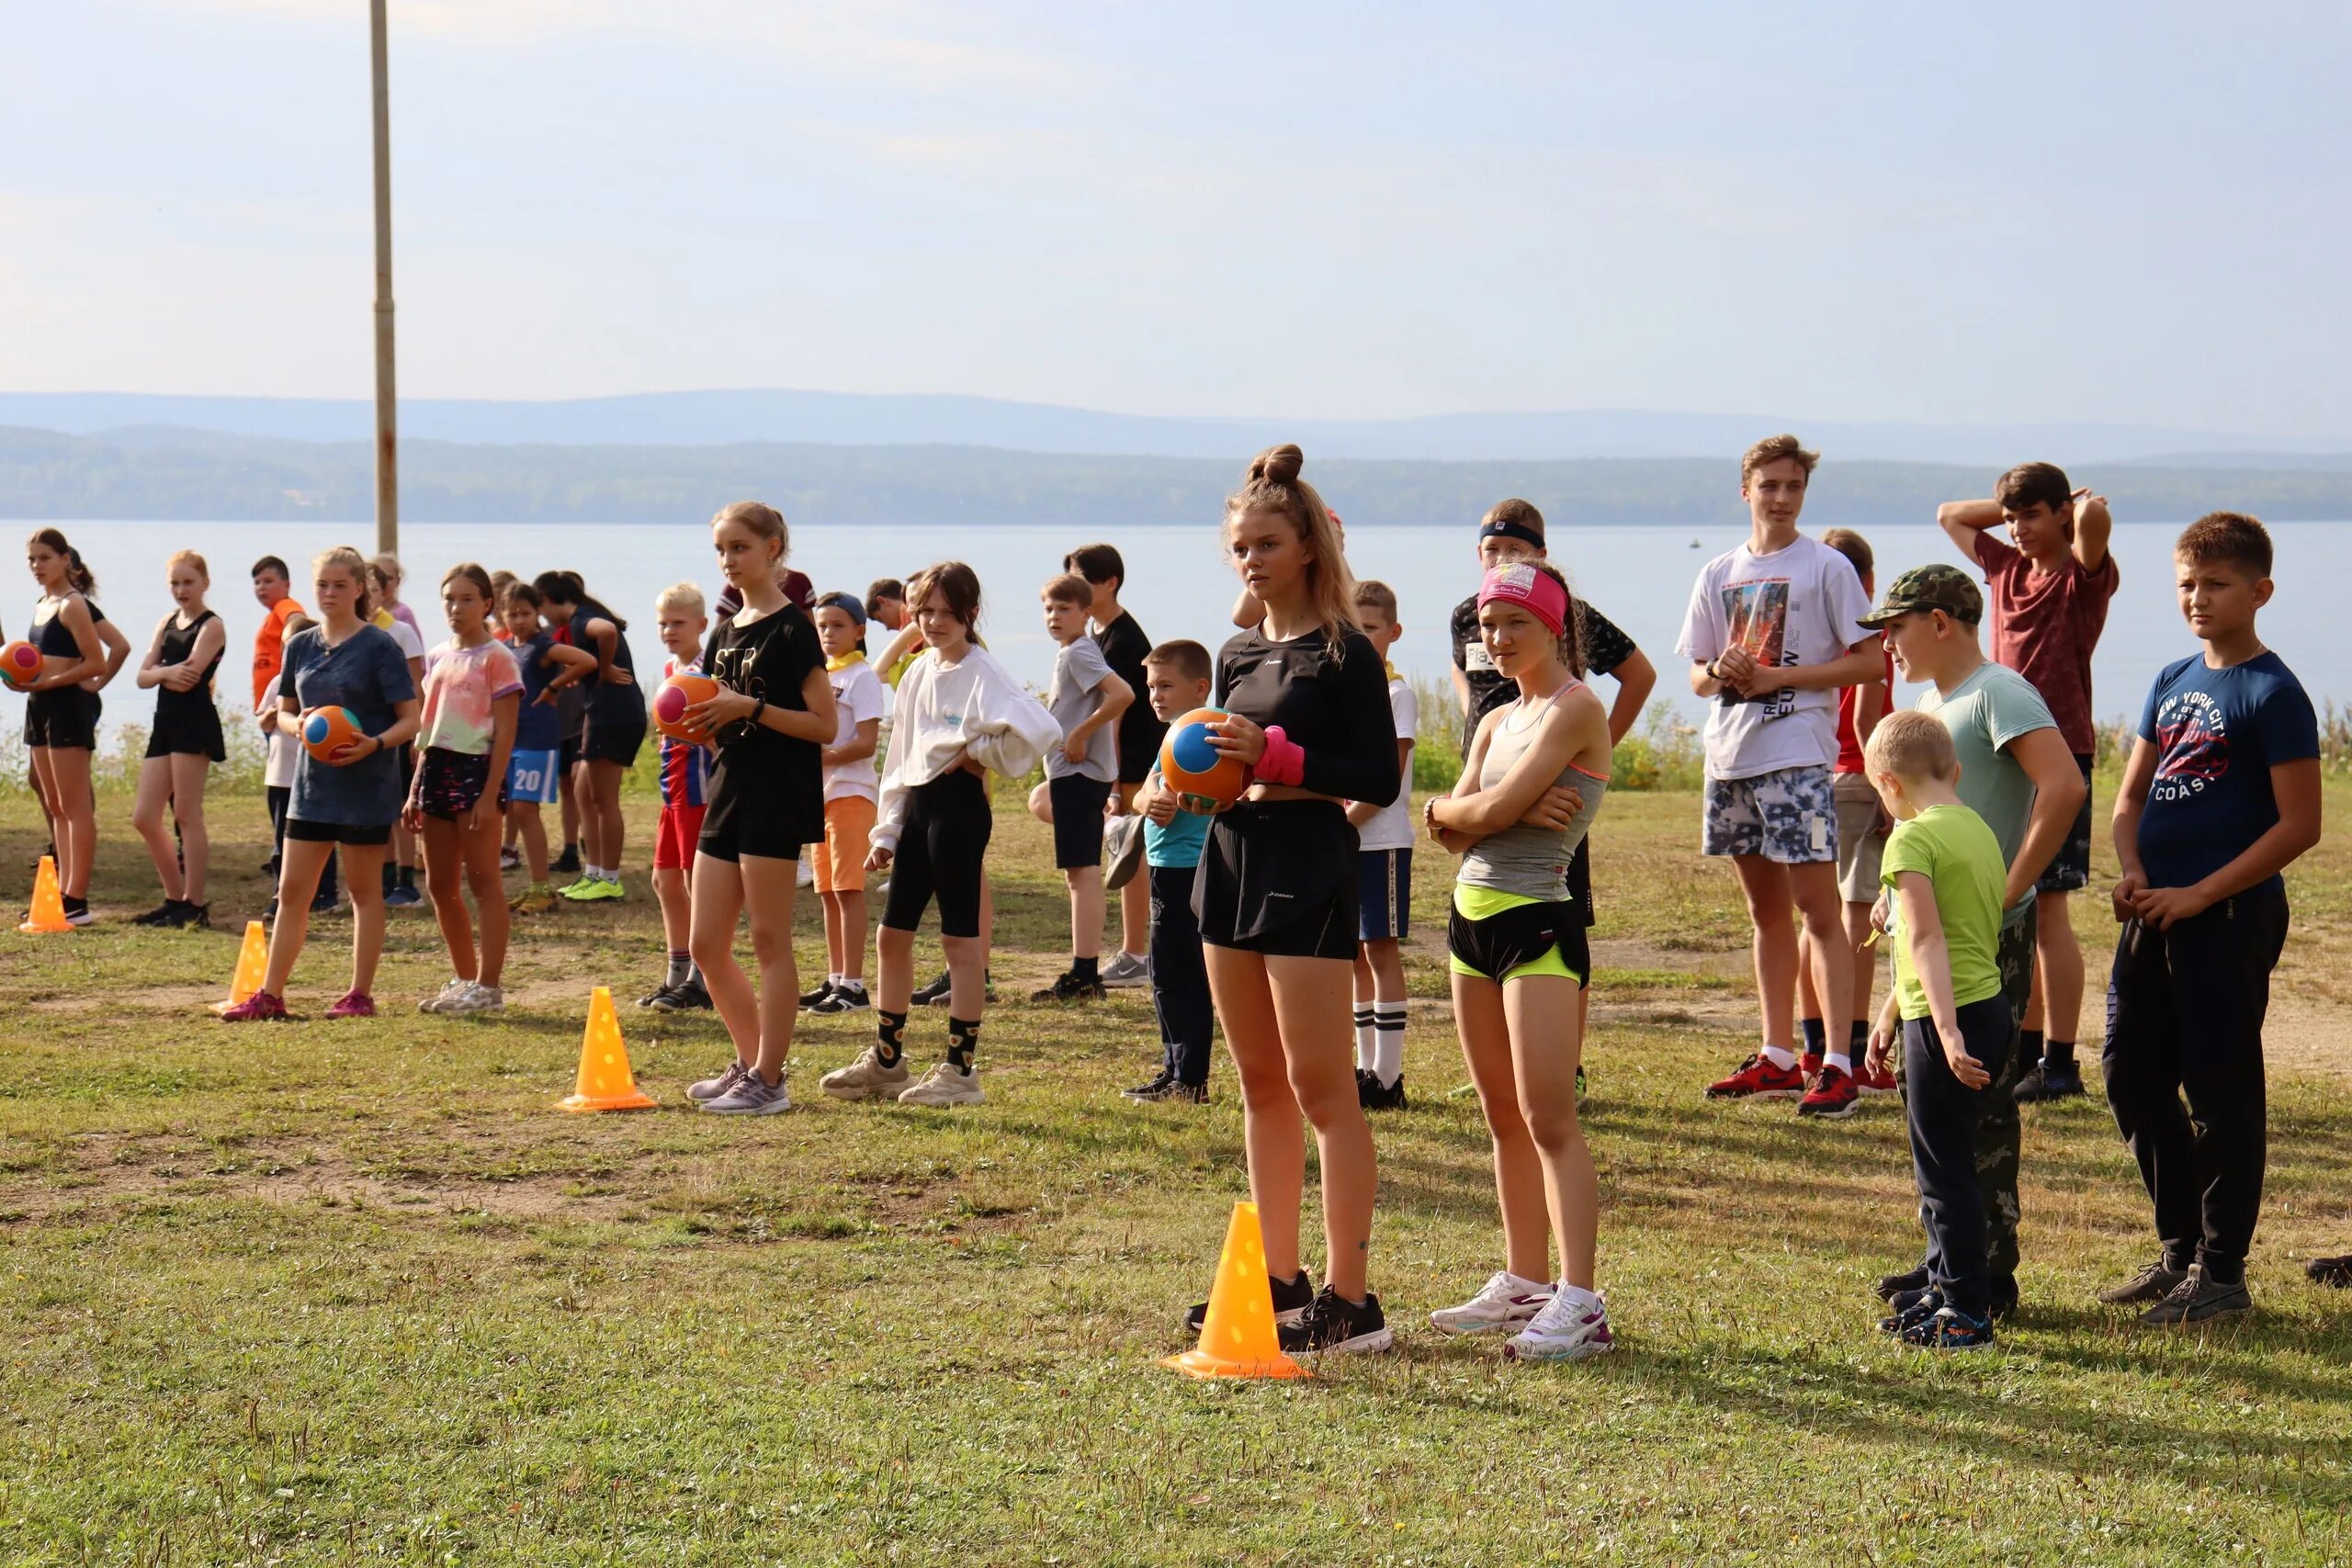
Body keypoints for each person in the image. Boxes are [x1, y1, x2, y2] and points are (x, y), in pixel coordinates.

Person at [1190, 445, 1400, 1359]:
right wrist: (1183, 785)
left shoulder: (1344, 650)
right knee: (1259, 1084)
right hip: (1230, 857)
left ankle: (1352, 1304)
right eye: (1240, 545)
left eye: (1267, 543)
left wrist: (1281, 761)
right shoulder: (1236, 651)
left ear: (1308, 545)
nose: (1251, 558)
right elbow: (1215, 763)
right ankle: (1278, 1282)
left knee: (1323, 1092)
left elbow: (1378, 777)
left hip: (1308, 858)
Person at [2101, 513, 2321, 1325]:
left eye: (2217, 583)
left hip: (2227, 917)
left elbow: (2300, 825)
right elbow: (2129, 798)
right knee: (2130, 1072)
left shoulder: (2275, 692)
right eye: (2187, 583)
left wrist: (2201, 893)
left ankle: (2222, 1273)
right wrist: (2134, 870)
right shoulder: (2170, 678)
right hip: (2153, 911)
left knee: (2221, 1090)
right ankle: (2180, 1250)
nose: (2198, 597)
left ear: (2259, 591)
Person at [1861, 564, 2084, 1318]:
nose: (1887, 644)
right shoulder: (1931, 704)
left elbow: (2063, 786)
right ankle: (1948, 1263)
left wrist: (2012, 888)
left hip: (1987, 935)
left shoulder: (1999, 691)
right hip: (1937, 930)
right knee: (1937, 1108)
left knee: (1976, 1103)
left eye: (1894, 627)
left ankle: (1988, 1276)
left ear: (1941, 620)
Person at [1424, 560, 1617, 1361]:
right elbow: (1451, 826)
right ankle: (1525, 1281)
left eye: (1514, 625)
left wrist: (1474, 811)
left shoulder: (1578, 709)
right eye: (1487, 626)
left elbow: (1485, 812)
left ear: (1554, 627)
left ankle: (1582, 1302)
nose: (1496, 640)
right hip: (1470, 924)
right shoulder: (1500, 719)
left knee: (1548, 1117)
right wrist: (1452, 810)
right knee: (1501, 1114)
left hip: (1538, 921)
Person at [1677, 436, 1883, 1116]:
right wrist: (1722, 672)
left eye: (1793, 486)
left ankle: (1839, 1063)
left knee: (1819, 913)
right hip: (1731, 756)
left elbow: (1869, 661)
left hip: (1797, 756)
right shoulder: (1717, 573)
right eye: (1769, 485)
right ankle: (1777, 1055)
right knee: (1765, 915)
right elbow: (1697, 674)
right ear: (1746, 490)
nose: (1782, 497)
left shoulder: (1826, 568)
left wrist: (1780, 676)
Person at [820, 562, 1057, 1109]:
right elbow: (902, 756)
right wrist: (887, 829)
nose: (933, 622)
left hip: (959, 812)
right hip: (919, 809)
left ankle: (960, 1072)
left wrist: (979, 752)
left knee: (959, 942)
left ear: (971, 615)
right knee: (891, 936)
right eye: (924, 612)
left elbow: (1042, 730)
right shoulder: (921, 670)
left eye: (947, 613)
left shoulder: (984, 671)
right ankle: (887, 1061)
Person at [1452, 499, 1656, 1100]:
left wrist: (1597, 755)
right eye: (1493, 551)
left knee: (1559, 916)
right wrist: (1482, 758)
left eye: (1517, 552)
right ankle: (1506, 1057)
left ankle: (1562, 1062)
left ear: (1541, 556)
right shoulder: (1467, 616)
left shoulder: (1576, 617)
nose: (1504, 561)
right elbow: (1468, 680)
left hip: (1550, 784)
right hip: (1493, 772)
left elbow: (1638, 673)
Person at [1938, 467, 2120, 1102]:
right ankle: (2024, 1049)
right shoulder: (2005, 568)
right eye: (2012, 517)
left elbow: (2095, 530)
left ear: (2059, 516)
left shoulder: (2078, 578)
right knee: (2008, 900)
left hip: (2059, 751)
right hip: (2000, 752)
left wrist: (2077, 512)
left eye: (2031, 515)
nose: (2017, 528)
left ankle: (2062, 1061)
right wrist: (2009, 505)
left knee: (2048, 908)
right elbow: (1950, 515)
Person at [1860, 712, 2016, 1351]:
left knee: (1942, 1172)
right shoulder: (1978, 831)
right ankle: (1945, 1284)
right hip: (1987, 1007)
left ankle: (1967, 1313)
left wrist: (1943, 1032)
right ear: (1954, 770)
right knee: (1954, 1159)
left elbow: (1924, 938)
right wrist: (1886, 1013)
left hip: (1945, 1017)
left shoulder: (1910, 839)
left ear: (1888, 783)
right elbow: (1942, 932)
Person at [677, 503, 836, 1115]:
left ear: (774, 549)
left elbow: (825, 725)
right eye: (721, 549)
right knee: (706, 943)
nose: (728, 560)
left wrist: (751, 709)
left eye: (740, 547)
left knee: (769, 938)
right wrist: (695, 725)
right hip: (729, 787)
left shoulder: (793, 629)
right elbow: (716, 714)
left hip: (777, 794)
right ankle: (751, 1064)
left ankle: (770, 1080)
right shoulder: (723, 629)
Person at [222, 546, 420, 1021]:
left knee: (363, 891)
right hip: (310, 788)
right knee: (292, 891)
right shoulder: (301, 645)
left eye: (339, 585)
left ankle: (359, 995)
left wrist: (374, 744)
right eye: (322, 586)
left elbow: (410, 720)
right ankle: (270, 995)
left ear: (359, 589)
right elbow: (284, 711)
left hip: (367, 786)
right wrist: (297, 725)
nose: (330, 594)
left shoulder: (379, 646)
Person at [1796, 527, 1896, 1093]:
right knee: (1856, 914)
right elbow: (1866, 717)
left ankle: (1815, 1047)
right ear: (1870, 580)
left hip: (1814, 775)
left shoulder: (1809, 620)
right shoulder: (1867, 630)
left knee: (1817, 915)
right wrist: (1889, 788)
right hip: (1859, 778)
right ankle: (1854, 1051)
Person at [405, 564, 522, 1015]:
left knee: (484, 879)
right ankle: (463, 977)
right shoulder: (436, 656)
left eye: (467, 599)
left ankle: (488, 986)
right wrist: (415, 788)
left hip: (476, 771)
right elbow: (427, 727)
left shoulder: (498, 658)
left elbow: (506, 733)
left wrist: (490, 795)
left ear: (487, 604)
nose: (457, 607)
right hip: (435, 769)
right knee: (440, 883)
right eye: (449, 599)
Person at [1029, 571, 1134, 1003]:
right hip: (1073, 774)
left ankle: (1084, 973)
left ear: (1085, 613)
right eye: (1049, 609)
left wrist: (1078, 734)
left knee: (1083, 875)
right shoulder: (1071, 652)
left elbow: (1122, 694)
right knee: (1079, 874)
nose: (1054, 616)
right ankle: (1083, 969)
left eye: (1064, 609)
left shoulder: (1079, 653)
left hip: (1078, 773)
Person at [1123, 639, 1217, 1105]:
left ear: (1200, 687)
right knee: (1165, 973)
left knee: (1186, 975)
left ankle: (1191, 1078)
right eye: (1151, 687)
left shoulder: (1202, 732)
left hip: (1190, 869)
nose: (1155, 695)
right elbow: (1142, 794)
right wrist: (1151, 800)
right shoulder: (1174, 734)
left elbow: (1211, 794)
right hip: (1164, 866)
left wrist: (1175, 801)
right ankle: (1174, 1069)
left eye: (1166, 685)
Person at [1066, 543, 1162, 989]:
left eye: (1081, 580)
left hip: (1134, 765)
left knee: (1133, 853)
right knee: (1122, 845)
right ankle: (1135, 952)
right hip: (1116, 769)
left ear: (1110, 583)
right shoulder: (1098, 636)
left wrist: (1110, 784)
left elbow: (1118, 720)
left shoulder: (1122, 640)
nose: (1073, 588)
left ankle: (1135, 954)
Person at [24, 527, 122, 925]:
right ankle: (61, 889)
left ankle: (76, 899)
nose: (37, 566)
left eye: (44, 558)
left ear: (66, 559)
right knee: (55, 805)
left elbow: (96, 661)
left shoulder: (72, 604)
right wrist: (24, 678)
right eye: (31, 559)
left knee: (76, 806)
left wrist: (53, 682)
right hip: (39, 706)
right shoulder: (42, 603)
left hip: (67, 708)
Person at [1347, 580, 1417, 1110]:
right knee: (1353, 956)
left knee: (1380, 950)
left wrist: (1346, 821)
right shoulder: (1344, 690)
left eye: (1370, 628)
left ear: (1392, 632)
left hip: (1381, 841)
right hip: (1345, 839)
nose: (1361, 636)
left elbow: (1386, 778)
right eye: (1352, 627)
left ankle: (1388, 1078)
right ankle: (1365, 1068)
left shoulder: (1396, 694)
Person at [130, 550, 227, 927]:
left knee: (186, 813)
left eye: (188, 582)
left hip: (193, 722)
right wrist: (161, 673)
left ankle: (195, 901)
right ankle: (173, 896)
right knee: (144, 816)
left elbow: (192, 673)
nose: (181, 590)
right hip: (164, 722)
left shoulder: (212, 625)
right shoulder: (167, 621)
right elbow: (142, 676)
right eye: (175, 583)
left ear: (205, 582)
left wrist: (159, 671)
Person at [535, 570, 644, 900]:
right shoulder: (579, 620)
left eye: (541, 610)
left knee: (603, 798)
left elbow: (607, 632)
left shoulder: (584, 619)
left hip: (614, 714)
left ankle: (609, 880)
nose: (544, 618)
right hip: (600, 712)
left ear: (550, 601)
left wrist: (605, 666)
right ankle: (593, 873)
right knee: (583, 790)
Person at [633, 582, 716, 1009]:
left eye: (678, 623)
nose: (669, 630)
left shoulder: (709, 671)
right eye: (663, 623)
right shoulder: (670, 669)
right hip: (673, 790)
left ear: (701, 624)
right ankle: (677, 971)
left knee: (694, 882)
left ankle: (704, 979)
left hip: (700, 790)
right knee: (664, 880)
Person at [805, 591, 888, 1016]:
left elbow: (867, 743)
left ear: (859, 630)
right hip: (817, 796)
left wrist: (824, 757)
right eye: (822, 626)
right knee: (826, 891)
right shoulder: (820, 675)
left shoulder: (863, 677)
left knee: (849, 888)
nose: (828, 633)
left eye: (838, 625)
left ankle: (854, 985)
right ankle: (835, 977)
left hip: (851, 793)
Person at [499, 582, 595, 917]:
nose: (519, 620)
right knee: (516, 809)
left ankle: (543, 889)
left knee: (526, 811)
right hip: (508, 740)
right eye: (512, 614)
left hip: (537, 740)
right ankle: (536, 886)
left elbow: (585, 660)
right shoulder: (506, 647)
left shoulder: (542, 646)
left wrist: (554, 686)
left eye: (526, 613)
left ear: (537, 611)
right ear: (502, 614)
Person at [368, 558, 428, 910]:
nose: (369, 597)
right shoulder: (355, 631)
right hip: (367, 735)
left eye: (376, 589)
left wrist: (415, 736)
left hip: (399, 733)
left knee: (400, 811)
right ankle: (385, 879)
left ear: (383, 591)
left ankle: (407, 881)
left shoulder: (400, 632)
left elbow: (416, 687)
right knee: (377, 810)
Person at [251, 555, 313, 891]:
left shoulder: (287, 607)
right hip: (275, 716)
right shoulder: (270, 616)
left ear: (286, 584)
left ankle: (292, 862)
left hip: (288, 712)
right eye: (257, 582)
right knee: (281, 785)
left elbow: (299, 625)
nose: (262, 588)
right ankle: (283, 857)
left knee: (291, 791)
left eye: (268, 581)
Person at [368, 552, 424, 642]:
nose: (384, 583)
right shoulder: (361, 614)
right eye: (379, 577)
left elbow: (416, 648)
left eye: (389, 578)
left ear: (398, 581)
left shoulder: (403, 613)